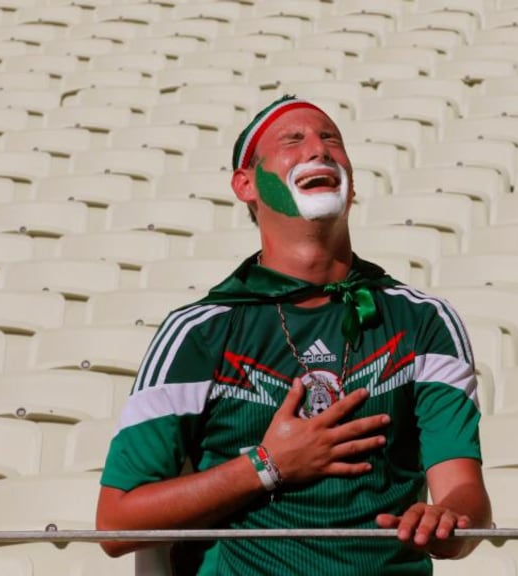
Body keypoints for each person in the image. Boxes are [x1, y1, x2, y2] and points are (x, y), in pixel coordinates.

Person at [96, 95, 491, 575]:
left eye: (331, 140)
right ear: (246, 184)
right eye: (293, 140)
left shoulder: (424, 320)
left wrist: (448, 522)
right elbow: (116, 522)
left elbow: (464, 494)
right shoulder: (198, 330)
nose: (319, 150)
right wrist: (267, 465)